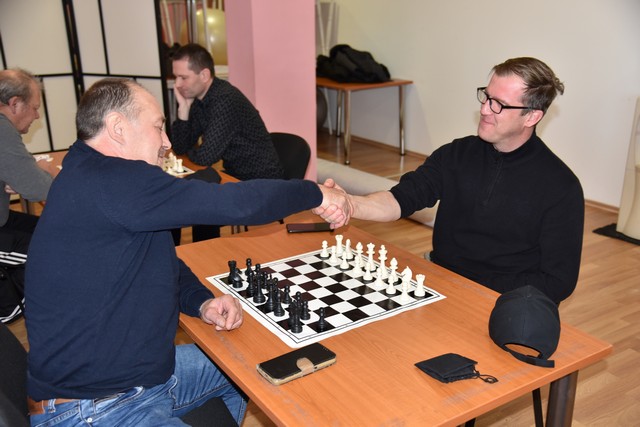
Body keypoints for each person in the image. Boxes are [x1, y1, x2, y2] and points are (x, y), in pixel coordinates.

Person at [24, 78, 348, 426]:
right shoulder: (113, 181)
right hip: (95, 407)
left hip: (140, 378)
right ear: (118, 127)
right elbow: (234, 204)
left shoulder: (91, 171)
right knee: (245, 369)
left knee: (249, 370)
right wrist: (314, 193)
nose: (166, 143)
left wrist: (201, 301)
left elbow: (155, 258)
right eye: (157, 127)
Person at [320, 57, 584, 305]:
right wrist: (351, 204)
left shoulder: (561, 187)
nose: (484, 109)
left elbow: (558, 282)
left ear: (532, 116)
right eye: (486, 96)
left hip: (503, 300)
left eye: (498, 104)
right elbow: (400, 199)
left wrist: (473, 290)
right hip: (441, 281)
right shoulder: (457, 154)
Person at [170, 43, 284, 243]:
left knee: (204, 201)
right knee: (196, 196)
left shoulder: (225, 99)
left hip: (259, 181)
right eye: (176, 77)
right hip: (233, 174)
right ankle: (189, 252)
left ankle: (205, 252)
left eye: (183, 77)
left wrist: (193, 151)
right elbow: (179, 147)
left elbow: (206, 157)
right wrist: (183, 110)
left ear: (204, 75)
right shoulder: (200, 100)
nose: (177, 84)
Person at [0, 68, 53, 323]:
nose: (37, 115)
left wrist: (25, 175)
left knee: (51, 230)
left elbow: (25, 177)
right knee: (55, 251)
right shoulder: (2, 130)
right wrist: (41, 172)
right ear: (14, 104)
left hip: (3, 218)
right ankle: (7, 308)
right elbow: (41, 189)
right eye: (34, 108)